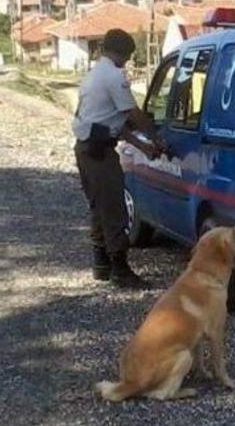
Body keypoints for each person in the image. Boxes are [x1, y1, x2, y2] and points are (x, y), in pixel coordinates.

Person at [72, 29, 168, 289]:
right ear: (122, 53)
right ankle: (120, 269)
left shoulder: (94, 74)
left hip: (87, 147)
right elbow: (132, 114)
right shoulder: (114, 76)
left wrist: (142, 146)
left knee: (99, 206)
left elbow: (114, 122)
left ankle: (101, 263)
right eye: (127, 57)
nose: (126, 62)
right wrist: (156, 137)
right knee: (114, 208)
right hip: (99, 152)